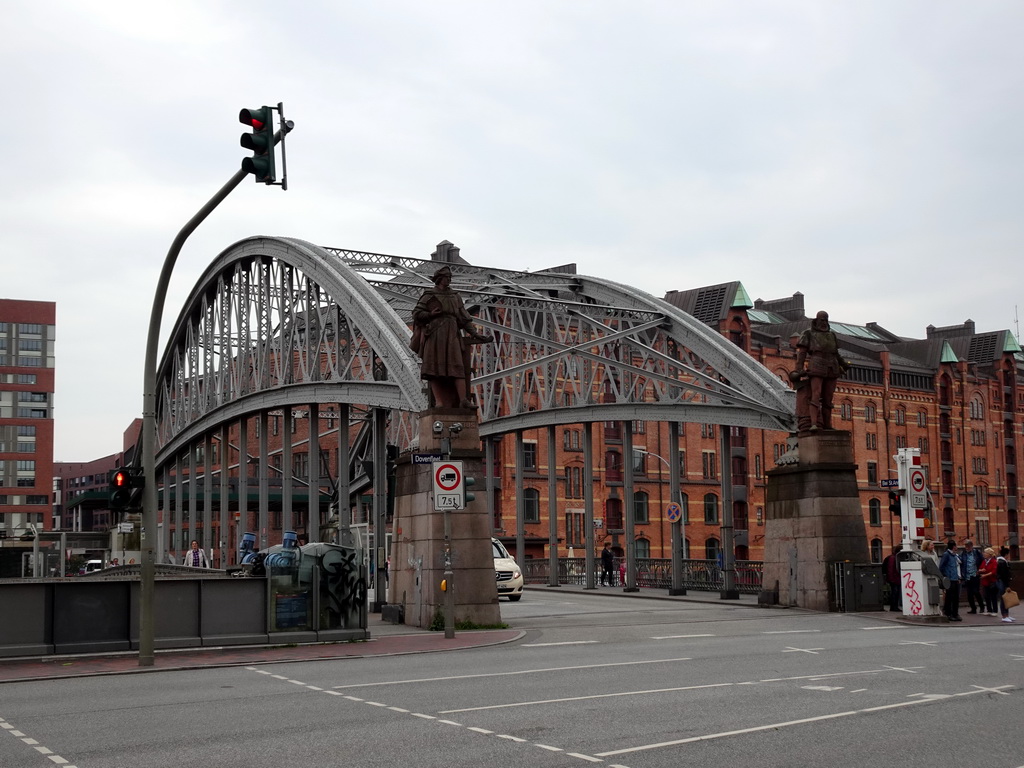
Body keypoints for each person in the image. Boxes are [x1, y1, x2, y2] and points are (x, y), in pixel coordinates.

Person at [411, 265, 493, 409]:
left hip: (452, 334)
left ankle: (463, 400)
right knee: (433, 370)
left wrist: (475, 334)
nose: (449, 280)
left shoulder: (455, 296)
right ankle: (439, 402)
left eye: (450, 277)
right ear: (439, 279)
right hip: (435, 335)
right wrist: (431, 315)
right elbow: (416, 315)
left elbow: (464, 318)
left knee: (457, 367)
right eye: (446, 277)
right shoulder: (429, 295)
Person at [793, 311, 849, 430]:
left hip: (832, 366)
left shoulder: (831, 335)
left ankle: (827, 425)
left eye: (826, 320)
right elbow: (802, 353)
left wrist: (843, 364)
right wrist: (799, 369)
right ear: (816, 320)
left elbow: (835, 353)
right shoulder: (808, 333)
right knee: (816, 395)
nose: (824, 322)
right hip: (817, 364)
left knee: (828, 398)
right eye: (822, 320)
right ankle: (814, 424)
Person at [939, 540, 962, 620]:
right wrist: (945, 576)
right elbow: (941, 567)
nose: (957, 547)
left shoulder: (955, 555)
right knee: (950, 597)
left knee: (956, 597)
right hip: (950, 579)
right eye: (955, 546)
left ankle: (955, 613)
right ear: (953, 546)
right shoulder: (946, 555)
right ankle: (949, 613)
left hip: (955, 579)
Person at [959, 539, 983, 614]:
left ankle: (982, 606)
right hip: (967, 576)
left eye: (968, 546)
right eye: (966, 546)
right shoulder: (963, 554)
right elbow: (961, 562)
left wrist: (980, 570)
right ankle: (973, 608)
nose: (967, 548)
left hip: (975, 575)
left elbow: (982, 561)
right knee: (969, 594)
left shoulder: (976, 553)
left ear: (971, 546)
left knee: (976, 591)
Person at [996, 546, 1015, 623]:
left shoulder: (1000, 561)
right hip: (1002, 582)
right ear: (1006, 554)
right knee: (1004, 599)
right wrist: (1007, 585)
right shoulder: (1003, 562)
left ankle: (1006, 614)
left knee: (1005, 598)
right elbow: (1004, 575)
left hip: (1001, 581)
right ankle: (1004, 615)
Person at [979, 547, 1000, 615]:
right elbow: (980, 568)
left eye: (985, 552)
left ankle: (995, 611)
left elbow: (994, 571)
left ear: (989, 554)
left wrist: (985, 575)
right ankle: (989, 610)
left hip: (992, 581)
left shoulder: (994, 561)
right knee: (986, 596)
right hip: (985, 581)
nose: (984, 554)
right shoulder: (984, 561)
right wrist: (981, 570)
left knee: (993, 596)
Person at [882, 544, 903, 612]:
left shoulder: (893, 557)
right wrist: (892, 579)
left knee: (895, 592)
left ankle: (894, 606)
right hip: (894, 578)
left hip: (894, 578)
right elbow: (891, 569)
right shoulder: (894, 558)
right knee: (895, 592)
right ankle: (894, 606)